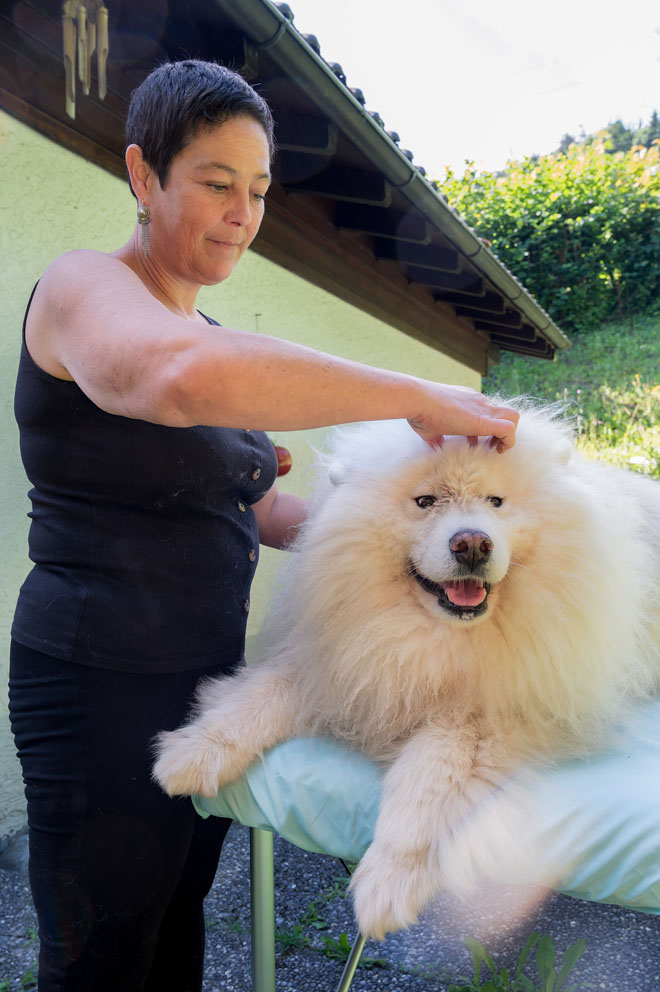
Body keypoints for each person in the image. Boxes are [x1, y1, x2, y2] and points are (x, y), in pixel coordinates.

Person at [8, 59, 519, 992]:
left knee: (176, 932)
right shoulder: (84, 290)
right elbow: (167, 377)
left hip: (203, 681)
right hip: (96, 681)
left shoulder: (215, 334)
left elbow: (258, 513)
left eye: (258, 190)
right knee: (100, 960)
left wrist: (396, 526)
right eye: (214, 183)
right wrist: (413, 393)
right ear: (142, 173)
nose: (243, 212)